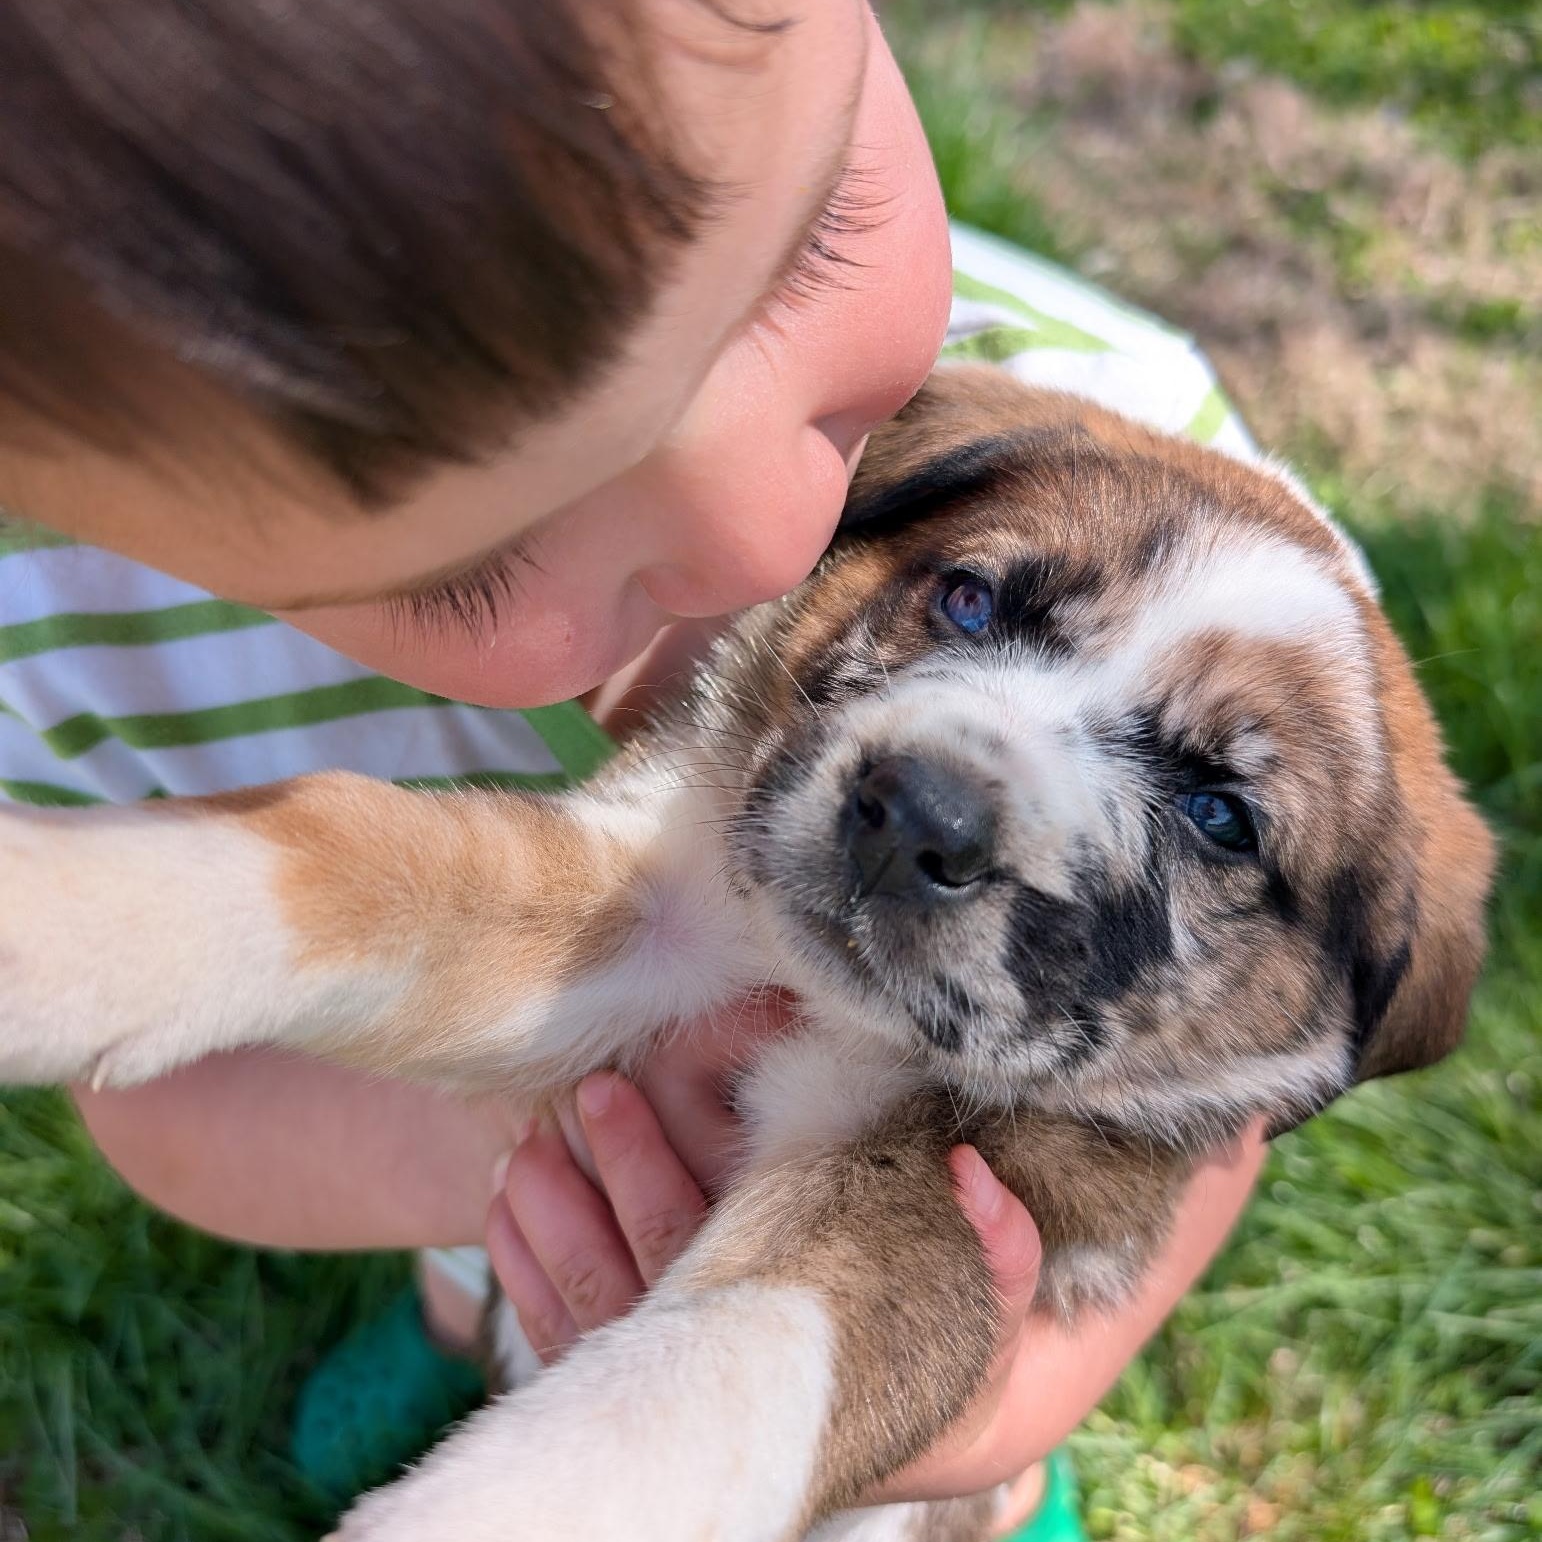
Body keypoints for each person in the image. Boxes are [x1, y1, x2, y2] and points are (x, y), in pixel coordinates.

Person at [0, 2, 1266, 1535]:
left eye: (813, 236)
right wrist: (510, 1136)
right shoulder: (66, 637)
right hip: (436, 1179)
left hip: (913, 1289)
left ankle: (989, 1489)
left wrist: (1017, 1395)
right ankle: (473, 1322)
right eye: (479, 560)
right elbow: (167, 1101)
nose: (765, 531)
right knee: (500, 1260)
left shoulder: (1173, 506)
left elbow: (1215, 1092)